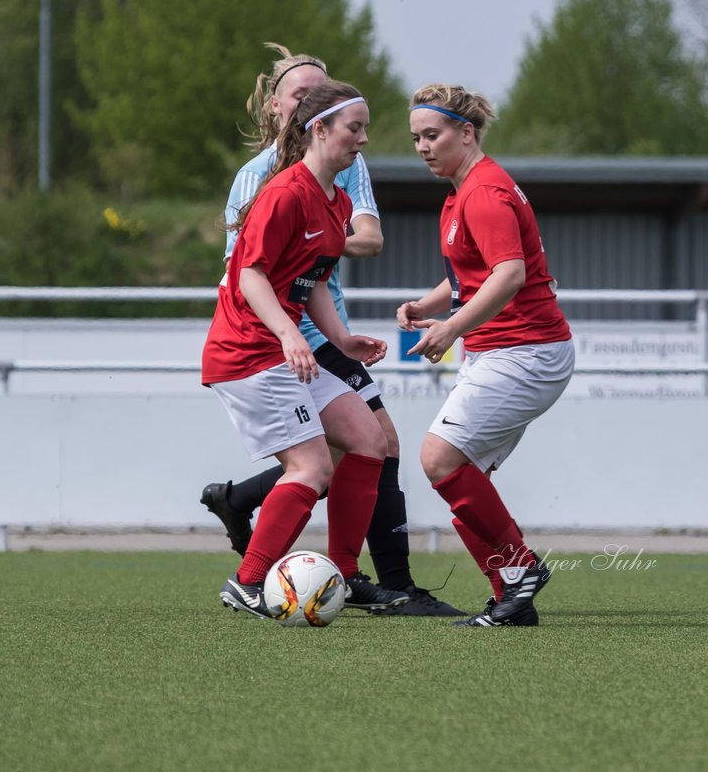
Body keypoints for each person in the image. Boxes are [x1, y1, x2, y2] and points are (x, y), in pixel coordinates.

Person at [200, 43, 464, 616]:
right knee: (314, 467)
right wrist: (293, 337)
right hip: (251, 352)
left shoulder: (334, 198)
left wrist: (338, 340)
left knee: (370, 442)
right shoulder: (282, 193)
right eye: (355, 128)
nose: (365, 139)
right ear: (319, 130)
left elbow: (312, 280)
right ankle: (246, 582)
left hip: (293, 348)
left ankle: (342, 576)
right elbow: (248, 277)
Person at [399, 84, 574, 628]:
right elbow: (469, 274)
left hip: (526, 351)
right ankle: (511, 599)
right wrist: (430, 303)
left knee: (438, 458)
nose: (423, 147)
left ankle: (521, 570)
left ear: (466, 132)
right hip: (507, 349)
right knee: (460, 472)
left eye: (433, 135)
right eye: (416, 138)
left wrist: (450, 327)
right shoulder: (461, 192)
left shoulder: (484, 192)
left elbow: (511, 274)